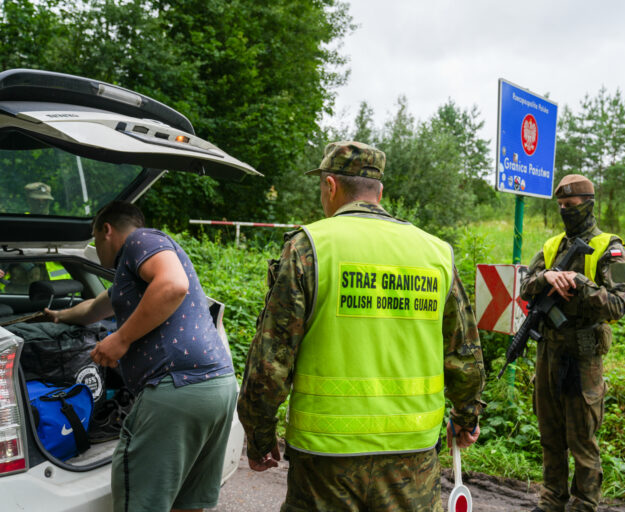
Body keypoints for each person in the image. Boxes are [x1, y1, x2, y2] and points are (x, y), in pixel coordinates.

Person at [238, 141, 486, 511]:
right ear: (379, 192)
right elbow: (465, 354)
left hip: (324, 460)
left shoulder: (309, 248)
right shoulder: (436, 253)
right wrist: (466, 419)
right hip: (412, 455)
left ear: (331, 186)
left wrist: (259, 437)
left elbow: (270, 362)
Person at [46, 201, 237, 512]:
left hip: (177, 388)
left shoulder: (141, 240)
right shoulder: (131, 276)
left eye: (94, 237)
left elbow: (173, 285)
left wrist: (121, 338)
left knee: (142, 503)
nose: (95, 246)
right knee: (185, 501)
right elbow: (95, 309)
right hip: (217, 387)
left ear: (106, 230)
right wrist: (58, 316)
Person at [520, 174, 625, 512]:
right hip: (549, 352)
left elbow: (619, 305)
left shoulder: (610, 248)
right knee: (550, 434)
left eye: (573, 206)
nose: (566, 211)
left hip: (584, 355)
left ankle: (584, 504)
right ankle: (552, 498)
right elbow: (525, 285)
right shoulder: (552, 246)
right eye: (562, 206)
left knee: (582, 437)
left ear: (589, 205)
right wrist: (546, 277)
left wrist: (581, 283)